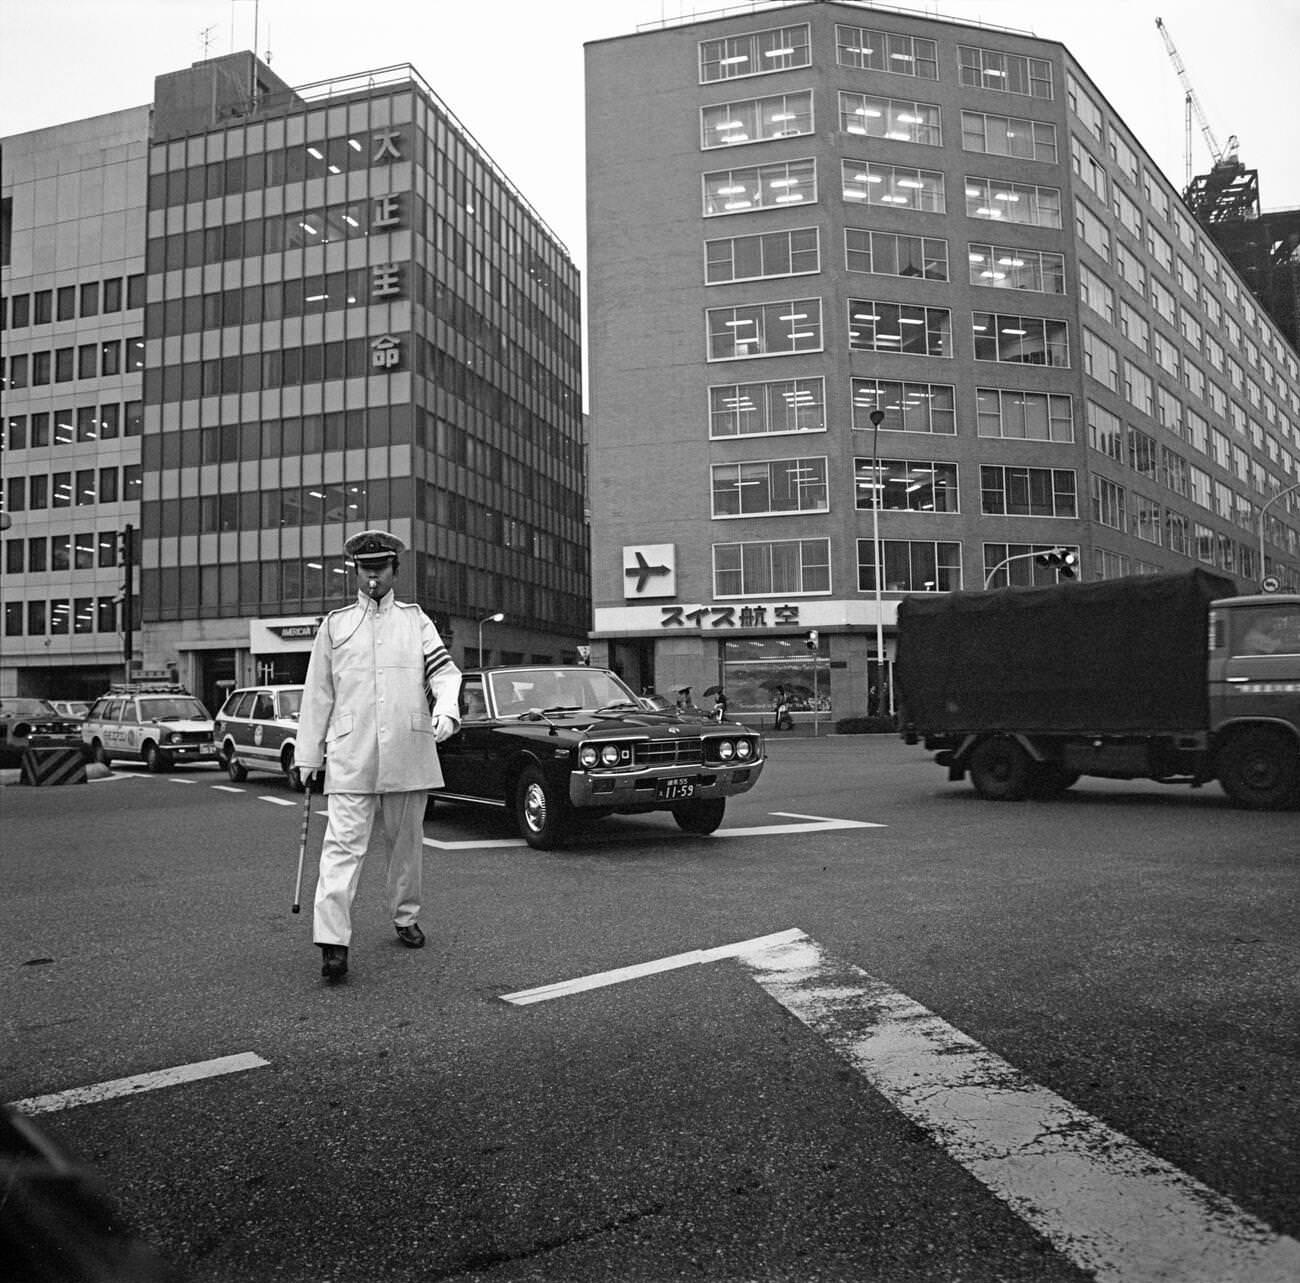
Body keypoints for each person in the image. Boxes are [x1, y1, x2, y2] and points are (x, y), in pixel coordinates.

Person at [295, 530, 462, 982]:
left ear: (394, 571)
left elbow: (445, 672)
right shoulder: (335, 625)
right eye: (365, 569)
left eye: (381, 569)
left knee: (405, 847)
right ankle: (332, 942)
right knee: (341, 849)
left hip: (409, 749)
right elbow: (318, 694)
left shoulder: (415, 621)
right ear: (355, 571)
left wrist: (447, 710)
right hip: (351, 754)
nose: (373, 576)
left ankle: (405, 916)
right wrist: (308, 754)